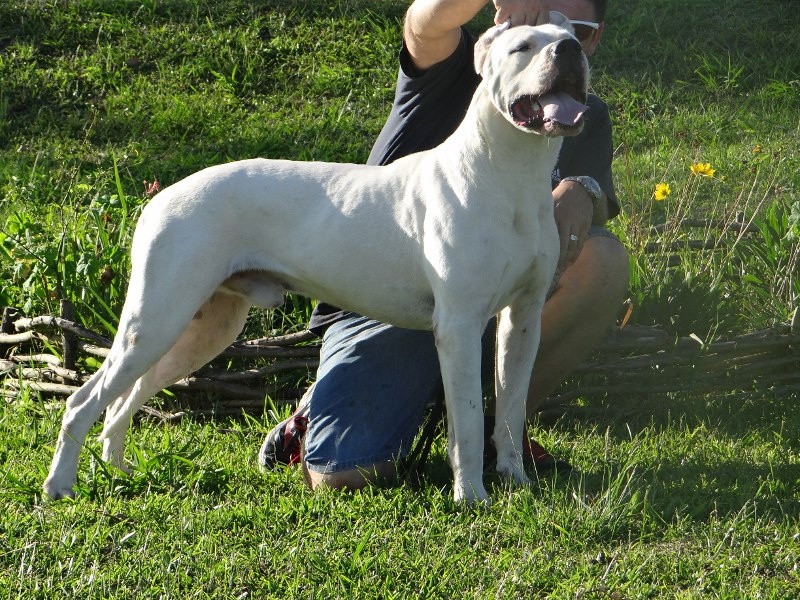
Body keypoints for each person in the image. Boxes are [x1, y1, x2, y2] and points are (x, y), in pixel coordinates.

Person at [258, 0, 629, 490]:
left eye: (571, 32)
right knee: (346, 475)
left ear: (594, 39)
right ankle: (316, 411)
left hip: (488, 304)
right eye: (531, 22)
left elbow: (599, 194)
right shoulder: (451, 65)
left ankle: (505, 440)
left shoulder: (584, 113)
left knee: (602, 259)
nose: (554, 44)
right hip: (381, 303)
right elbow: (424, 20)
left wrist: (584, 188)